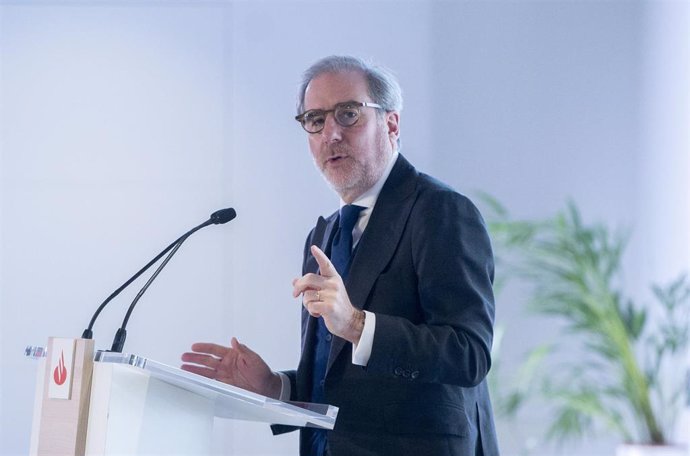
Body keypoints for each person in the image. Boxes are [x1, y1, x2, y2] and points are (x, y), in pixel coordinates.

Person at [181, 55, 499, 456]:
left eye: (348, 114)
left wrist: (356, 324)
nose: (331, 133)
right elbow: (339, 383)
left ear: (391, 123)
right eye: (315, 119)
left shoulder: (439, 211)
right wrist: (273, 388)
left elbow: (468, 354)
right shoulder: (326, 233)